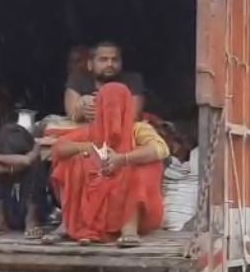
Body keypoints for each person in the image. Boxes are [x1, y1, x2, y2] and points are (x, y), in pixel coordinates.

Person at [46, 81, 170, 247]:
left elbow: (160, 149)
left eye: (117, 106)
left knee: (148, 167)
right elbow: (58, 148)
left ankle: (129, 227)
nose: (112, 112)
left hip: (126, 190)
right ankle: (68, 224)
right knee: (67, 164)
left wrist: (122, 159)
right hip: (98, 185)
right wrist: (89, 148)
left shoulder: (138, 129)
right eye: (107, 106)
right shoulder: (92, 130)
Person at [0, 122, 50, 239]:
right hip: (8, 208)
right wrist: (9, 166)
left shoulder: (34, 146)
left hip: (30, 208)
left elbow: (27, 161)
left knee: (36, 168)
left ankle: (31, 219)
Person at [65, 41, 145, 122]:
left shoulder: (132, 79)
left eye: (115, 60)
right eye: (103, 60)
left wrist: (105, 109)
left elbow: (134, 116)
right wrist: (82, 111)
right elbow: (71, 114)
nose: (110, 64)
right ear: (90, 64)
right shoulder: (78, 78)